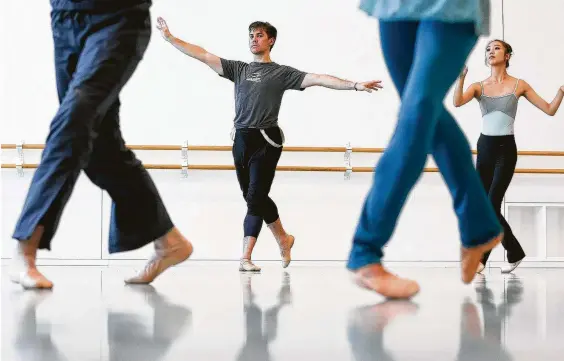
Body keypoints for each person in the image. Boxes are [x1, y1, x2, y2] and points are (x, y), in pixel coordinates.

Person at [156, 17, 383, 272]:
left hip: (267, 140)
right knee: (253, 197)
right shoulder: (238, 69)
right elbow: (202, 55)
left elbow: (318, 78)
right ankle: (284, 239)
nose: (254, 39)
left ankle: (245, 257)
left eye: (260, 35)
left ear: (271, 41)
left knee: (254, 198)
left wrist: (355, 85)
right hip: (241, 140)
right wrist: (170, 38)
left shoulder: (281, 73)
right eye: (251, 35)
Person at [10, 0, 193, 290]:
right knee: (101, 145)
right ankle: (169, 240)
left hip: (119, 18)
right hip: (65, 17)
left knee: (73, 121)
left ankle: (25, 247)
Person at [346, 0, 504, 299]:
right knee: (426, 115)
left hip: (452, 8)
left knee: (417, 115)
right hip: (395, 6)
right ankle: (479, 226)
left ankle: (365, 250)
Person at [454, 39, 564, 274]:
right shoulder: (478, 86)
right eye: (488, 49)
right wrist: (460, 77)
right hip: (485, 147)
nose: (491, 52)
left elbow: (549, 109)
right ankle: (486, 259)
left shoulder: (519, 85)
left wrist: (562, 91)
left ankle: (513, 252)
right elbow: (457, 102)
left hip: (506, 149)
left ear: (508, 55)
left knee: (492, 204)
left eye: (496, 48)